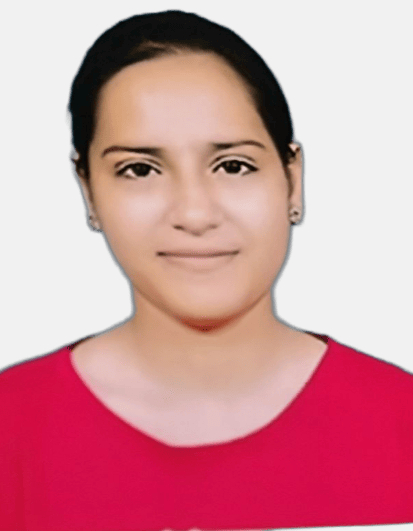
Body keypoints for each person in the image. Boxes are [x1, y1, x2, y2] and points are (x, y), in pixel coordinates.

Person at [0, 9, 412, 531]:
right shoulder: (10, 428)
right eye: (139, 169)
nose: (195, 214)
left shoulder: (402, 423)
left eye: (233, 166)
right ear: (89, 192)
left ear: (292, 179)